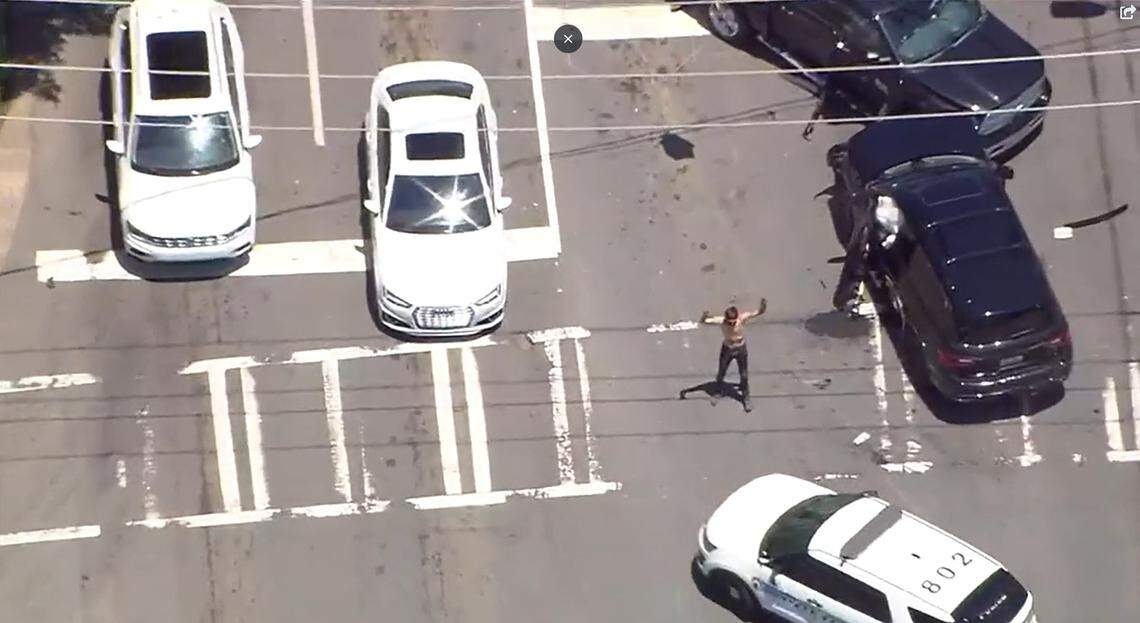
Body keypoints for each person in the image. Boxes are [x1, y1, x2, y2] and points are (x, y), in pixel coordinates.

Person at [687, 299, 767, 412]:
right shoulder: (721, 321)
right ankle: (718, 392)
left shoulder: (741, 318)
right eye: (729, 322)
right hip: (727, 348)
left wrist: (763, 306)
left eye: (733, 322)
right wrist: (704, 316)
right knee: (721, 372)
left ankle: (745, 397)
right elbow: (704, 321)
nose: (731, 324)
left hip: (740, 348)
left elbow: (759, 312)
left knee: (743, 374)